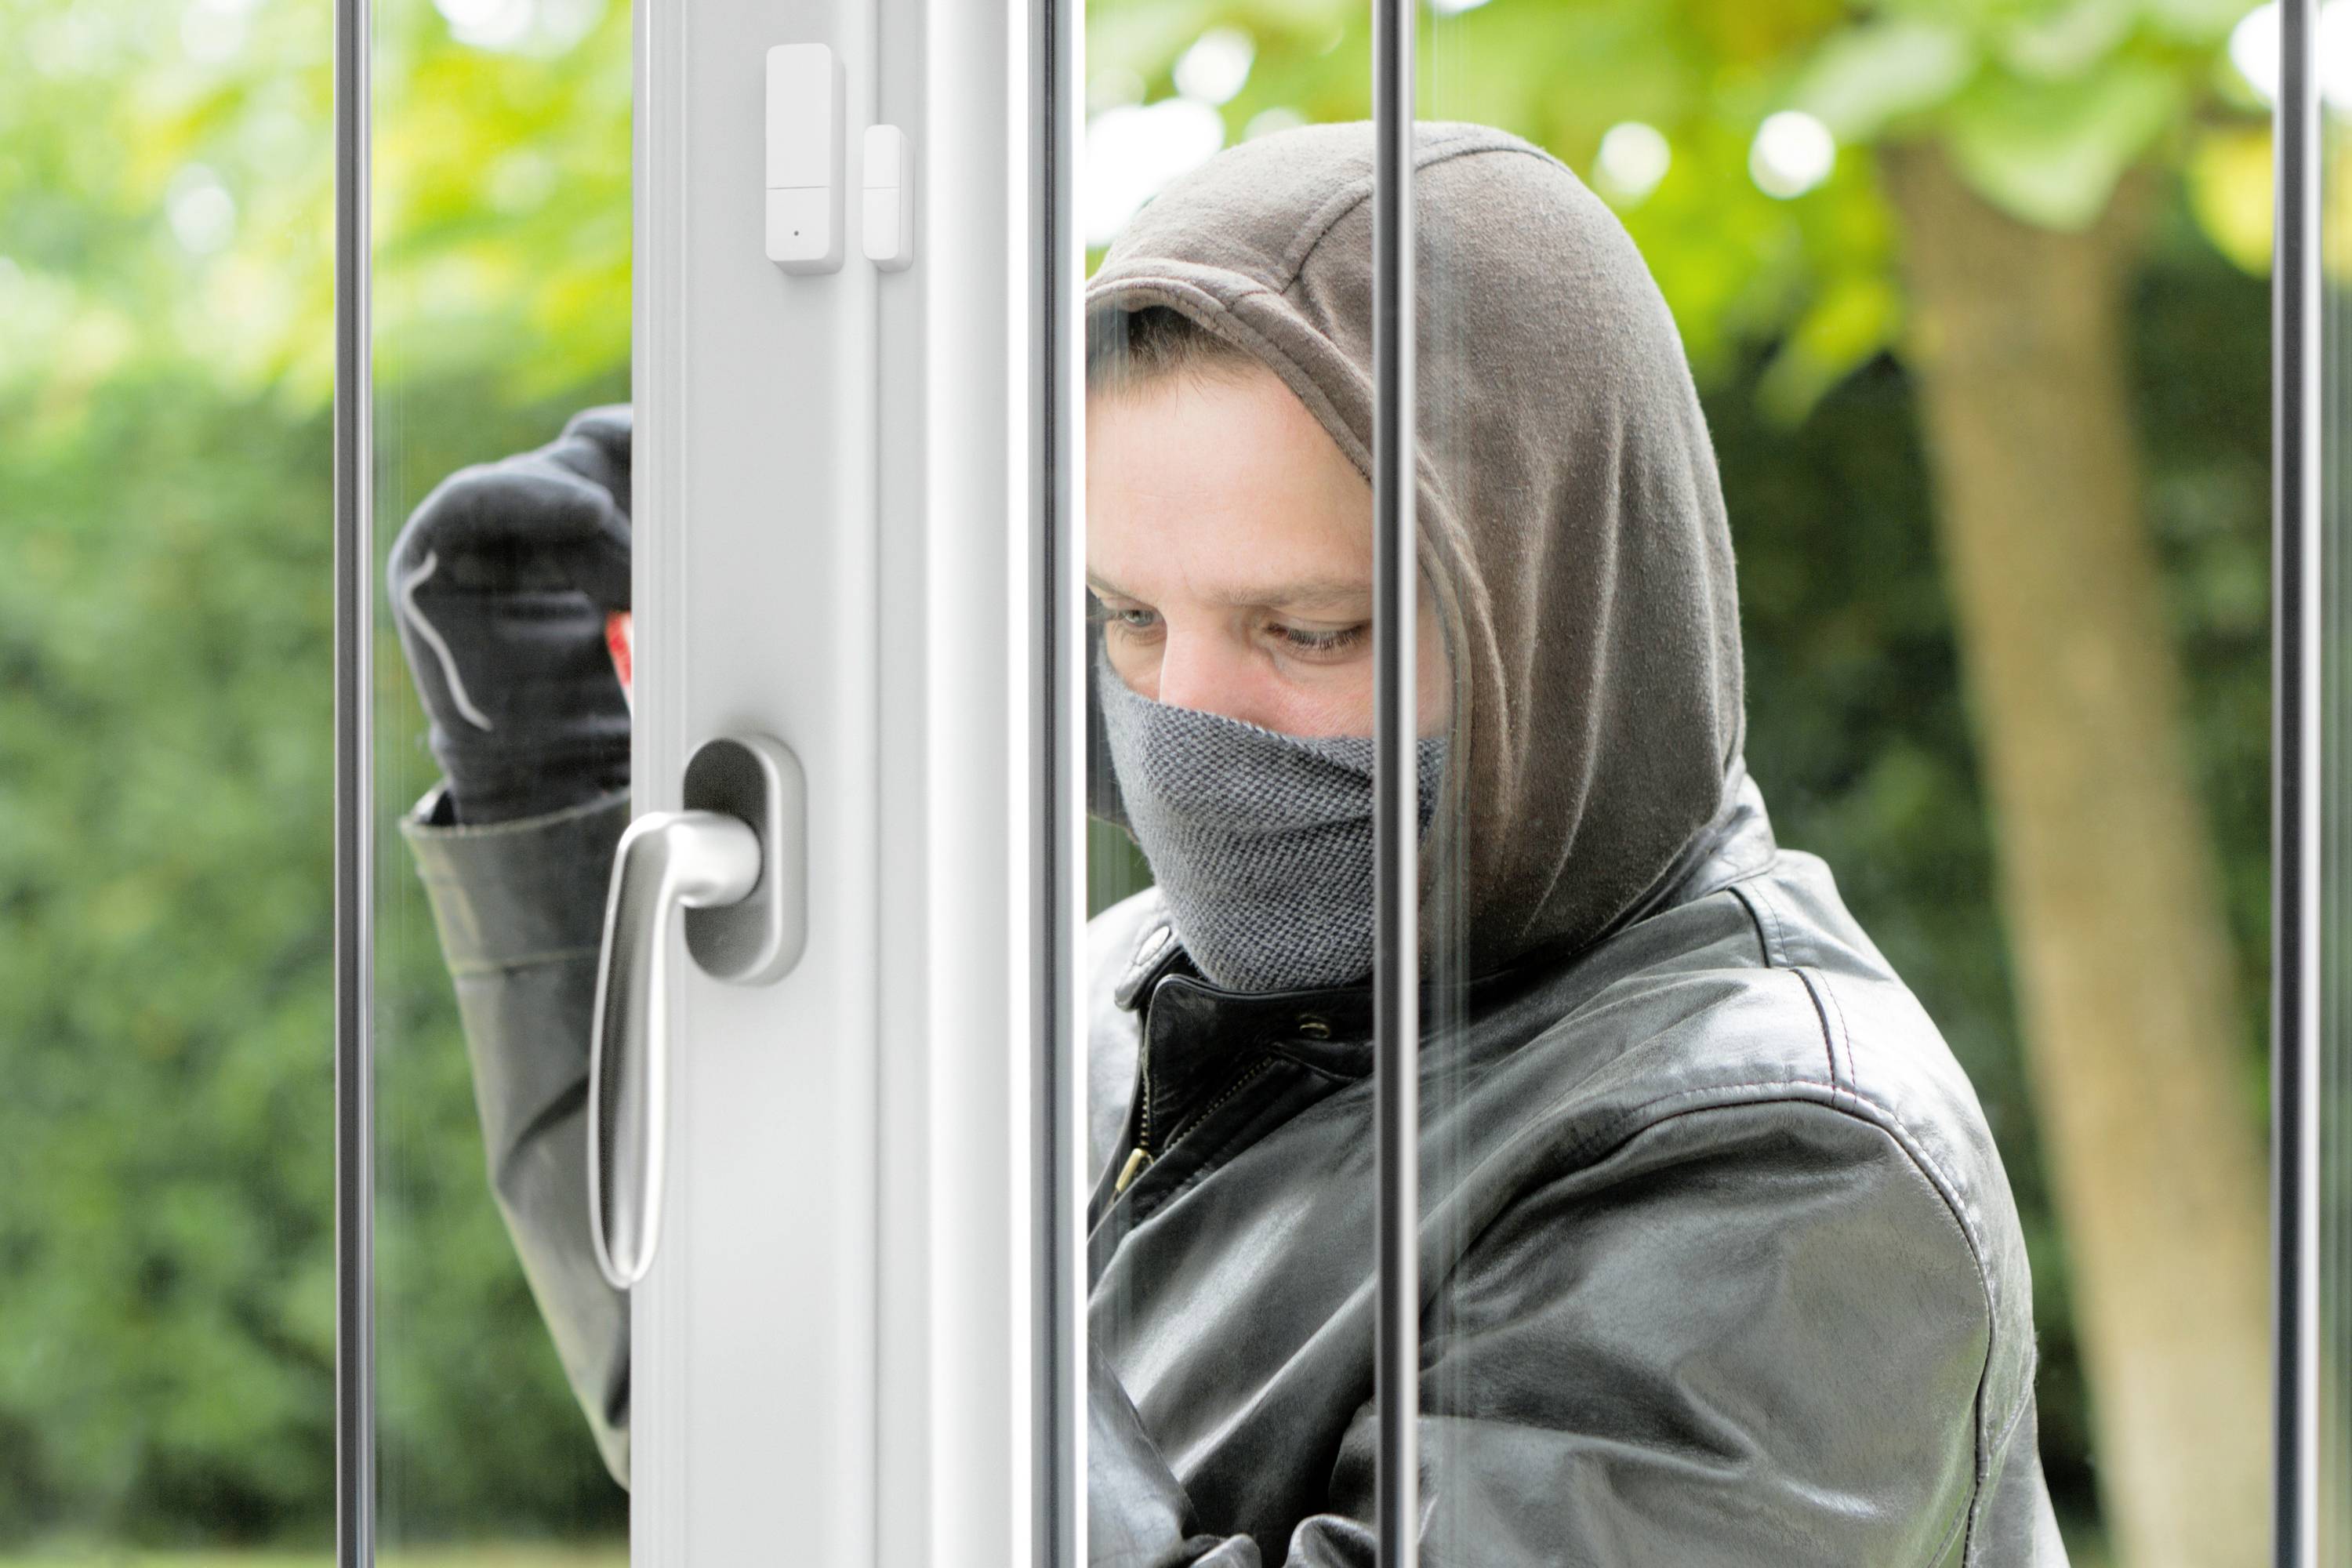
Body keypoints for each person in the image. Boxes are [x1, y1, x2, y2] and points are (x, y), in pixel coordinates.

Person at [394, 122, 2065, 1565]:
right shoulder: (1139, 983)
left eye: (1313, 627)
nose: (1190, 718)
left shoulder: (1787, 1162)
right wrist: (557, 796)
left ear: (1560, 616)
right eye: (1127, 616)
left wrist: (900, 1251)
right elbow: (767, 1432)